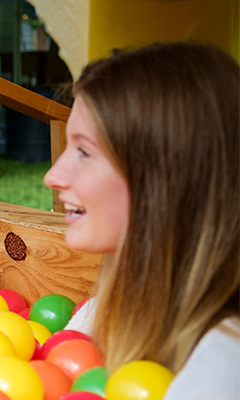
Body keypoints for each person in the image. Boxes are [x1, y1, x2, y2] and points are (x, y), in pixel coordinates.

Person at [43, 42, 238, 398]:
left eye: (84, 151)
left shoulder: (223, 364)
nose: (52, 175)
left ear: (165, 179)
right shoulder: (107, 310)